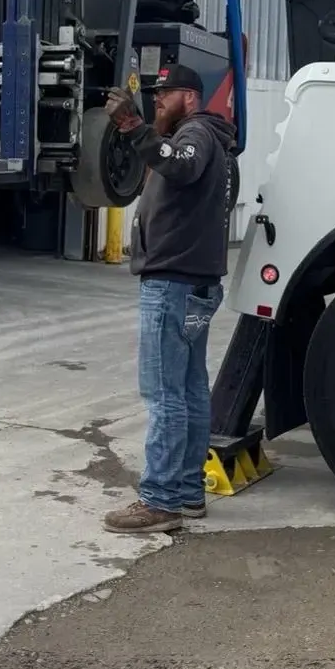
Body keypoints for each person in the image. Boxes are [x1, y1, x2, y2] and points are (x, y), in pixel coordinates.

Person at [100, 62, 238, 535]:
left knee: (164, 394)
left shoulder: (195, 135)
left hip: (174, 286)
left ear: (191, 98)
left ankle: (160, 501)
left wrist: (132, 126)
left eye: (167, 92)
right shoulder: (212, 138)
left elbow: (180, 166)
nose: (158, 99)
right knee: (190, 390)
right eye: (155, 93)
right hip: (195, 285)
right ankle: (186, 492)